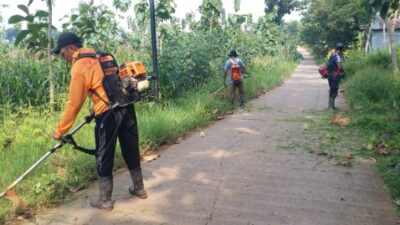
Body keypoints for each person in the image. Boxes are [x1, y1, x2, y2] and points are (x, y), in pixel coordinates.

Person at [51, 32, 147, 211]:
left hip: (107, 115)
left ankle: (105, 200)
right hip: (126, 107)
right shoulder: (104, 55)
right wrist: (95, 107)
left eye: (62, 52)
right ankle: (140, 188)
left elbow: (74, 103)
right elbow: (110, 85)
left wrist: (60, 130)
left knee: (104, 155)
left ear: (71, 48)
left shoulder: (80, 66)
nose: (61, 57)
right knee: (131, 148)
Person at [327, 43, 344, 110]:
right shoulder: (337, 57)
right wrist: (342, 71)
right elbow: (339, 67)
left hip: (330, 75)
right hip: (335, 76)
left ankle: (331, 106)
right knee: (334, 90)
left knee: (332, 89)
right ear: (341, 50)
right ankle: (330, 107)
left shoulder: (332, 55)